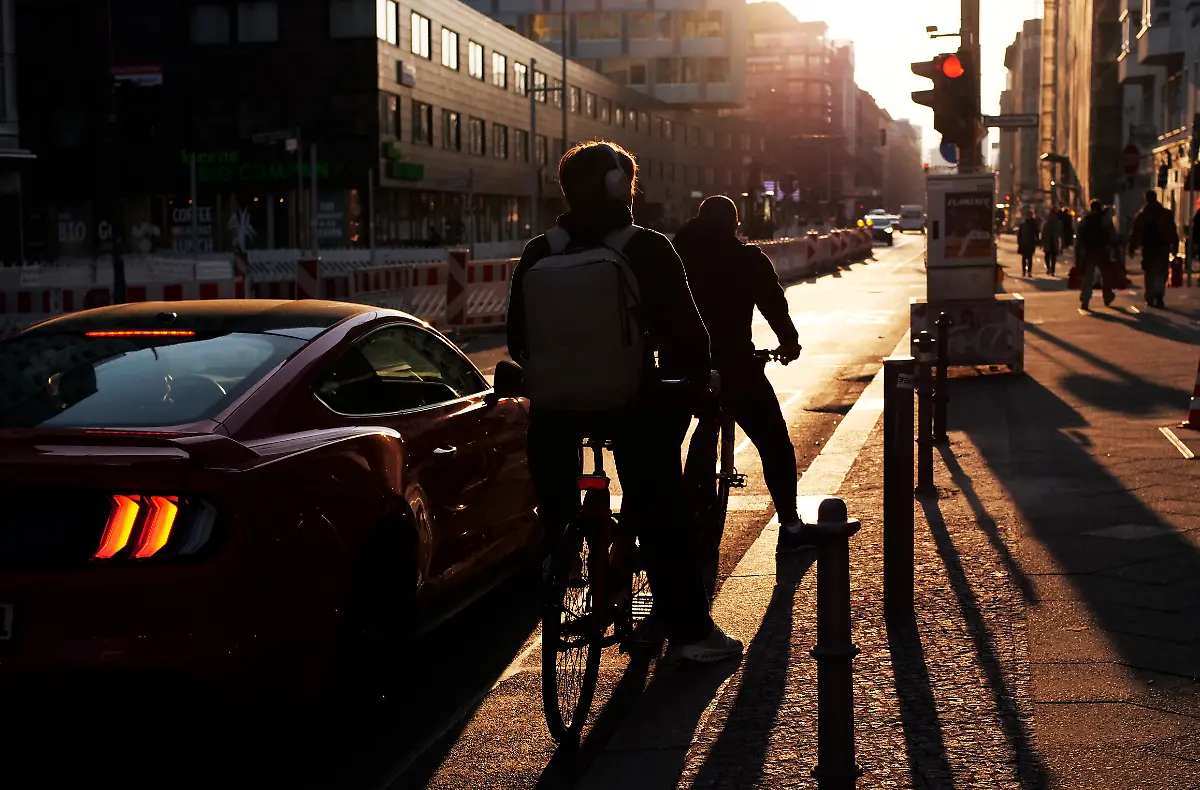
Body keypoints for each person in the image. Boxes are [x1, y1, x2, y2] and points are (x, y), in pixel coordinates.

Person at [507, 140, 743, 663]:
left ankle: (563, 550)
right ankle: (690, 635)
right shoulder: (646, 247)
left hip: (556, 414)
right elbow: (687, 333)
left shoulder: (539, 251)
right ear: (620, 185)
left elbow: (518, 339)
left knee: (555, 502)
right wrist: (698, 383)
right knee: (664, 511)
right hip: (630, 407)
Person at [672, 196, 809, 554]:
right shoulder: (747, 259)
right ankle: (791, 526)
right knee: (774, 443)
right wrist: (788, 343)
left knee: (658, 445)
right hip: (735, 365)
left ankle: (656, 529)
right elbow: (774, 305)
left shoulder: (675, 257)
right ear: (734, 225)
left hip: (680, 366)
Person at [1128, 189, 1179, 308]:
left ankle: (1150, 295)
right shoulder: (1166, 214)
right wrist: (1174, 246)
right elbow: (1172, 231)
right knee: (1161, 272)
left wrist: (1132, 247)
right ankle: (1159, 295)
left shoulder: (1142, 215)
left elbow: (1136, 233)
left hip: (1149, 248)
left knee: (1150, 272)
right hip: (1163, 247)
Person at [1075, 200, 1120, 310]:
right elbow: (1112, 234)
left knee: (1088, 277)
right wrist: (1116, 250)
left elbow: (1079, 239)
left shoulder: (1085, 219)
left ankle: (1085, 300)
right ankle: (1107, 296)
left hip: (1088, 251)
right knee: (1105, 275)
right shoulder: (1104, 219)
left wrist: (1078, 256)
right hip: (1103, 250)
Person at [1017, 209, 1040, 276]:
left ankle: (1029, 271)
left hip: (1030, 243)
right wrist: (1019, 242)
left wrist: (1038, 241)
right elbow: (1019, 234)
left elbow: (1037, 233)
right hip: (1024, 243)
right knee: (1024, 258)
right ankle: (1024, 271)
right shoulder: (1023, 224)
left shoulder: (1033, 224)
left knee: (1029, 258)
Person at [1041, 208, 1063, 276]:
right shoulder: (1046, 223)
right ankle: (1048, 268)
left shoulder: (1058, 223)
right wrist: (1041, 242)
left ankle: (1052, 270)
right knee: (1047, 256)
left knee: (1053, 257)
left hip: (1054, 242)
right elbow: (1043, 233)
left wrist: (1062, 245)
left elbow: (1061, 234)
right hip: (1047, 242)